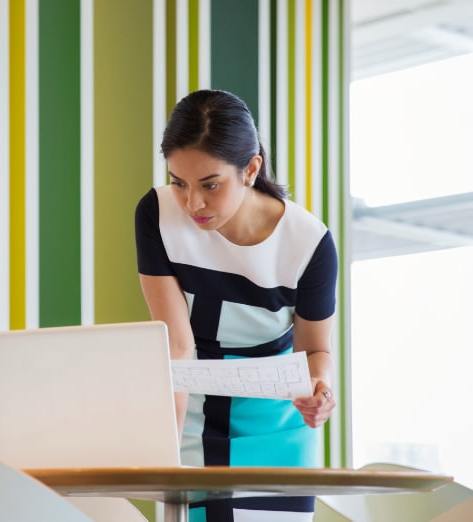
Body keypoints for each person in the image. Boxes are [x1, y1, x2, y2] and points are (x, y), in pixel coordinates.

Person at [134, 89, 338, 522]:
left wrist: (319, 389)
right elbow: (175, 346)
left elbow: (315, 351)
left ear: (250, 169)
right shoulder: (156, 214)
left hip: (275, 419)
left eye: (210, 185)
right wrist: (166, 447)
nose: (193, 203)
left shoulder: (309, 241)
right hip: (191, 406)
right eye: (179, 182)